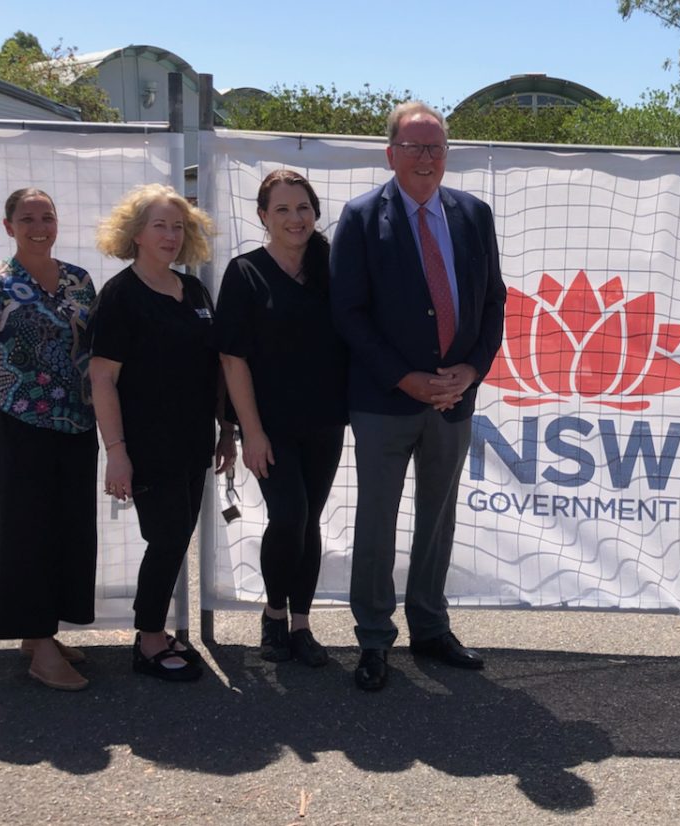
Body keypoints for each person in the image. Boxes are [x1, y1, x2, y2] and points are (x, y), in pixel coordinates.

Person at [330, 101, 506, 692]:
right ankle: (374, 639)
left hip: (455, 400)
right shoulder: (359, 218)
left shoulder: (474, 214)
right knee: (377, 521)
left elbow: (493, 304)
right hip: (384, 401)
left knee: (438, 519)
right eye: (415, 147)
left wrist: (472, 370)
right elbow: (347, 313)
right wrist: (404, 378)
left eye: (436, 147)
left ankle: (430, 628)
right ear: (391, 154)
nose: (427, 158)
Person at [0, 188, 97, 691]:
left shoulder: (80, 281)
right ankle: (39, 647)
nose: (39, 225)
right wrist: (7, 402)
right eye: (28, 217)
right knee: (28, 534)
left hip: (78, 425)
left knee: (68, 532)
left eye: (48, 216)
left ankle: (41, 636)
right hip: (22, 429)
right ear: (8, 225)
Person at [89, 184, 235, 682]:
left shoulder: (193, 290)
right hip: (148, 445)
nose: (171, 235)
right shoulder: (120, 296)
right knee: (168, 537)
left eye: (178, 226)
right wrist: (116, 452)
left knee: (177, 538)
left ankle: (155, 630)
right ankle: (149, 639)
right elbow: (102, 378)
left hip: (195, 442)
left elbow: (215, 369)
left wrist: (226, 431)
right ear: (136, 233)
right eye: (160, 225)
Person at [213, 170, 348, 666]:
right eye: (283, 210)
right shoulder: (245, 272)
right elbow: (232, 359)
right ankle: (273, 617)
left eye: (304, 208)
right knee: (287, 515)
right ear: (263, 216)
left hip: (325, 420)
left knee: (308, 519)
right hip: (268, 425)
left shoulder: (334, 266)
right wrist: (250, 431)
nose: (296, 219)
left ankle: (302, 625)